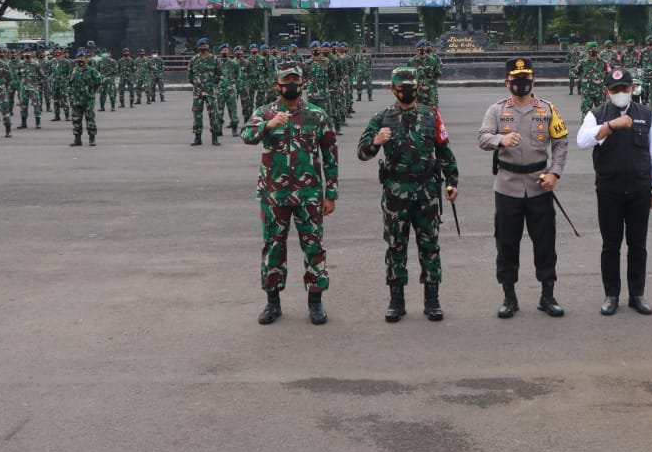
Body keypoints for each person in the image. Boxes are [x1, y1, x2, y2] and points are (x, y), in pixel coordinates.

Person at [357, 67, 459, 323]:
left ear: (418, 88)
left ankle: (432, 300)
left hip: (426, 193)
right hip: (395, 195)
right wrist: (376, 142)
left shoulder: (430, 115)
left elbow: (444, 150)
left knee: (430, 246)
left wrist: (452, 181)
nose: (406, 90)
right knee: (396, 246)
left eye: (410, 86)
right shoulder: (382, 118)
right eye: (401, 87)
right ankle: (396, 300)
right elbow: (362, 153)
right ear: (392, 89)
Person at [242, 65, 339, 326]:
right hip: (274, 194)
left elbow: (330, 156)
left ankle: (316, 302)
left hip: (308, 195)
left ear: (303, 83)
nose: (291, 84)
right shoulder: (264, 112)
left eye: (295, 80)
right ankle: (272, 302)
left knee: (314, 246)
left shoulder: (316, 115)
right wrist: (268, 124)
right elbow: (247, 135)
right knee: (273, 246)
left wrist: (330, 194)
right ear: (277, 85)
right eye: (287, 81)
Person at [477, 57, 570, 319]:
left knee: (545, 242)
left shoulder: (547, 108)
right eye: (516, 81)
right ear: (507, 82)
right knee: (507, 243)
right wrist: (500, 139)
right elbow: (482, 138)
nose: (521, 84)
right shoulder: (496, 110)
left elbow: (561, 141)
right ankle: (509, 296)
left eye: (525, 80)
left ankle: (547, 295)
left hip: (541, 185)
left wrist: (555, 173)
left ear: (533, 80)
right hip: (507, 186)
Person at [576, 67, 652, 316]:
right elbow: (582, 141)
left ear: (632, 88)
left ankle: (637, 294)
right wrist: (611, 125)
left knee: (638, 244)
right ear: (607, 91)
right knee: (611, 244)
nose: (620, 93)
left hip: (639, 188)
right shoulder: (596, 114)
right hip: (609, 190)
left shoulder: (646, 115)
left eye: (624, 89)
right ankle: (611, 295)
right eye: (615, 89)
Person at [188, 38, 224, 145]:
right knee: (197, 114)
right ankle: (197, 138)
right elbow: (190, 76)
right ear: (198, 47)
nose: (204, 47)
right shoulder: (193, 60)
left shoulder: (214, 59)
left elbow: (219, 75)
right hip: (198, 92)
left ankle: (215, 137)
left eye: (205, 45)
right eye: (201, 45)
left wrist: (212, 85)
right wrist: (197, 84)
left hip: (211, 91)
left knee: (214, 114)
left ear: (209, 47)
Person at [68, 50, 101, 146]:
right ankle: (77, 140)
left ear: (86, 59)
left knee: (90, 119)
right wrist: (71, 94)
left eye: (82, 58)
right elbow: (70, 83)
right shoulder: (74, 70)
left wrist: (91, 91)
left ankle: (92, 139)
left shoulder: (91, 70)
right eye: (79, 58)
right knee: (76, 120)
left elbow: (98, 81)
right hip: (76, 100)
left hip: (88, 100)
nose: (80, 60)